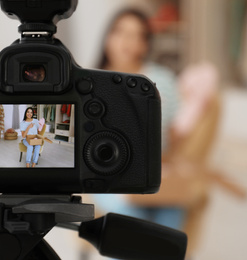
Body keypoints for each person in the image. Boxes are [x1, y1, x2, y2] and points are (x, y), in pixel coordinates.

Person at [94, 8, 184, 230]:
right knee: (130, 222)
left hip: (156, 171)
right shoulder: (89, 83)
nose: (126, 41)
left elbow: (173, 138)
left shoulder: (162, 81)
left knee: (170, 220)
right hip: (104, 176)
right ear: (108, 37)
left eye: (135, 35)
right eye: (120, 32)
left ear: (145, 44)